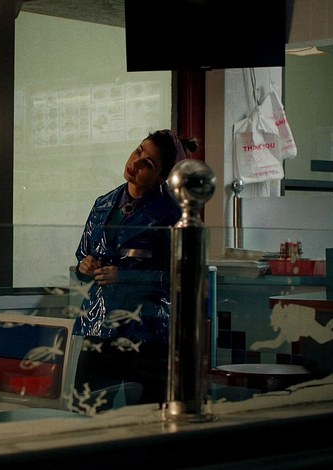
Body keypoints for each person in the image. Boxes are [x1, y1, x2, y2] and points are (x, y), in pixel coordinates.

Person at [71, 129, 197, 410]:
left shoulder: (172, 214)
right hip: (100, 324)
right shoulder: (103, 204)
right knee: (86, 410)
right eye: (139, 151)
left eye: (148, 163)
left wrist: (125, 277)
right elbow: (82, 257)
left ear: (162, 177)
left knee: (145, 416)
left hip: (146, 331)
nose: (136, 163)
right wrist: (84, 266)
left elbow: (182, 277)